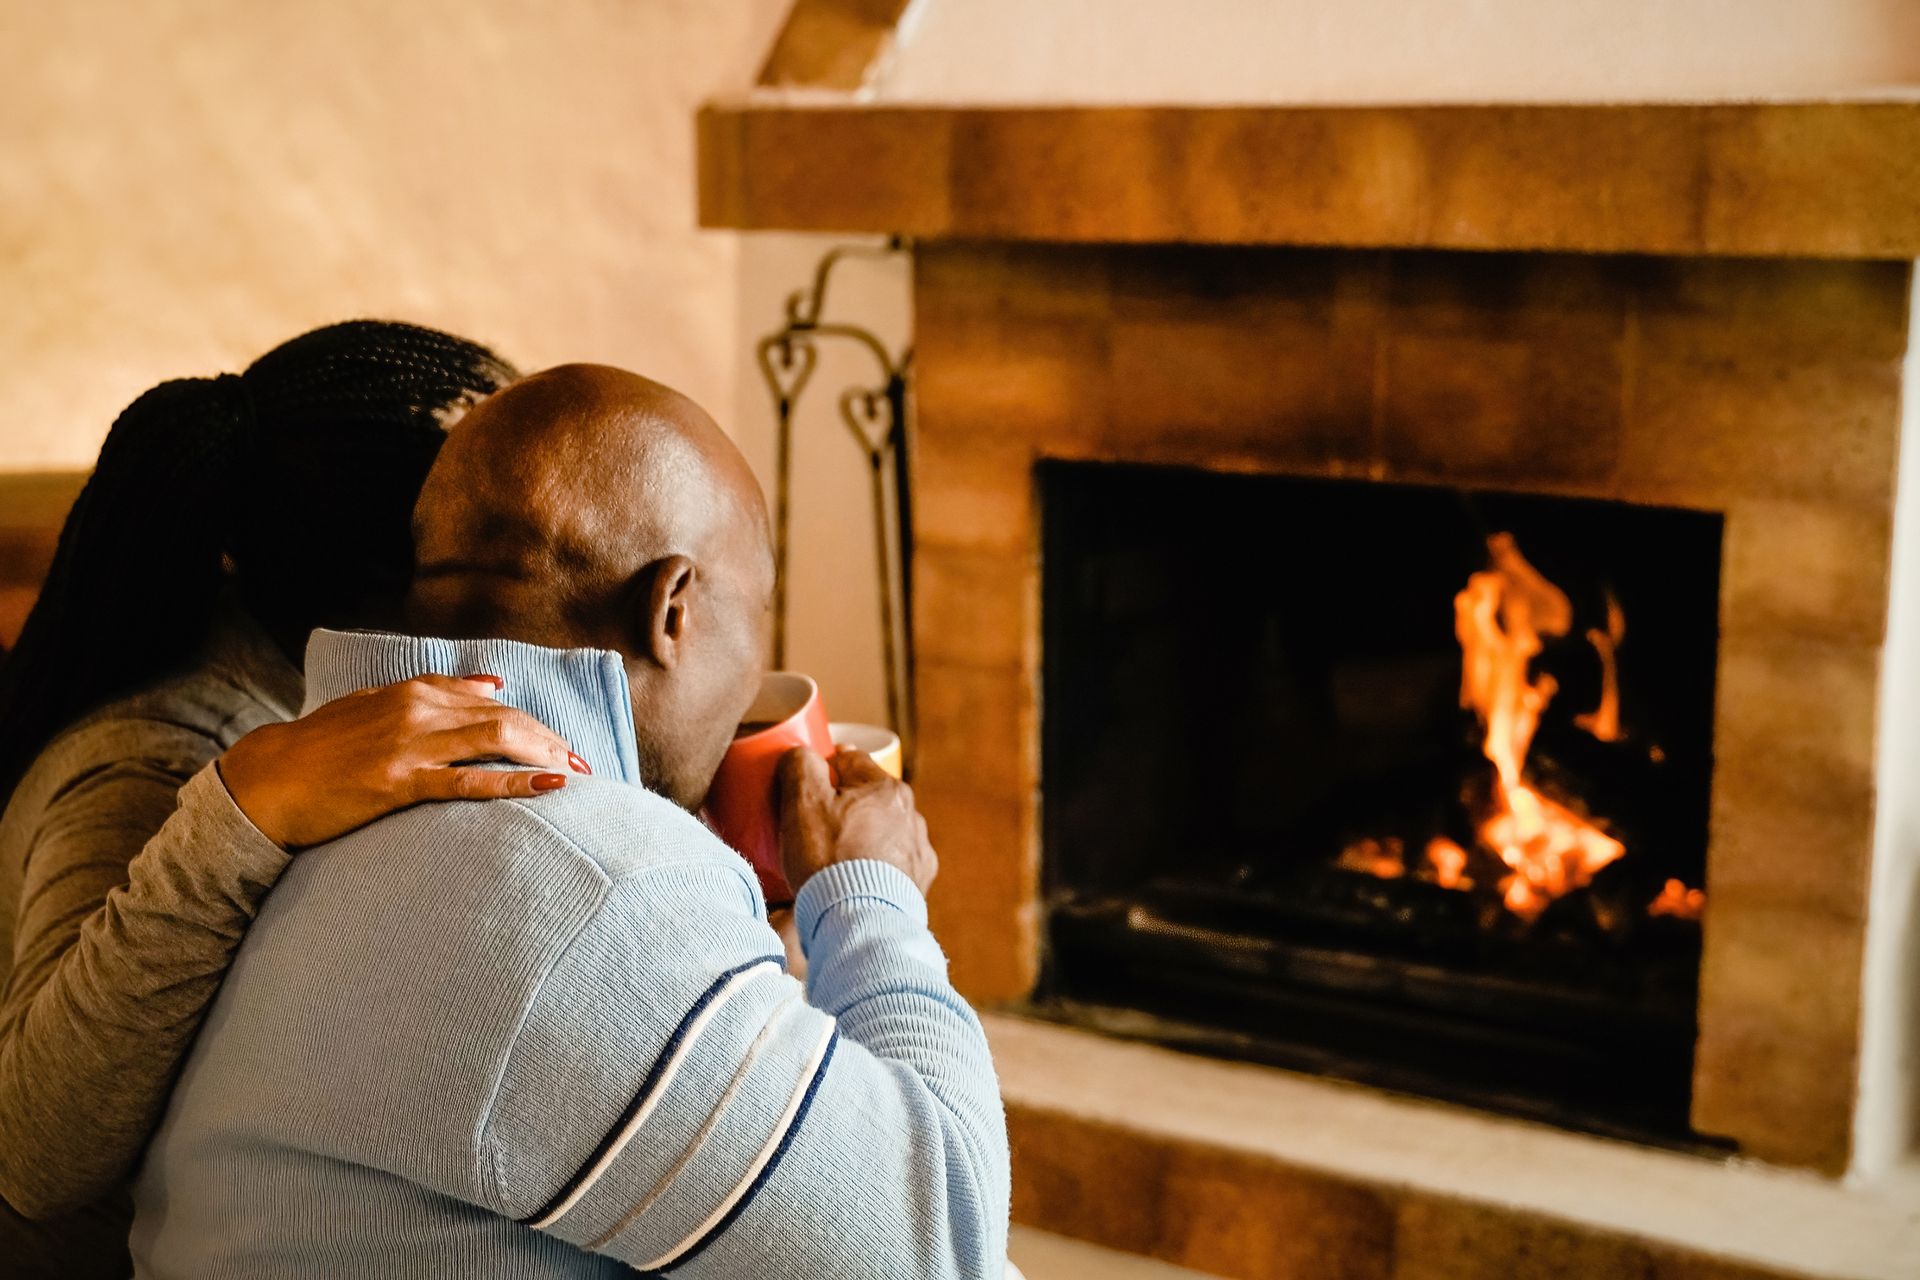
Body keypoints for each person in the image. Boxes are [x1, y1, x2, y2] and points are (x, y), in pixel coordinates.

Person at [131, 364, 1011, 1278]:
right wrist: (874, 897)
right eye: (757, 614)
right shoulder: (587, 881)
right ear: (672, 610)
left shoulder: (315, 795)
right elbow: (938, 1246)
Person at [0, 322, 592, 1279]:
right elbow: (31, 1149)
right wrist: (244, 810)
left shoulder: (317, 697)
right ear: (412, 582)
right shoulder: (154, 762)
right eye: (506, 552)